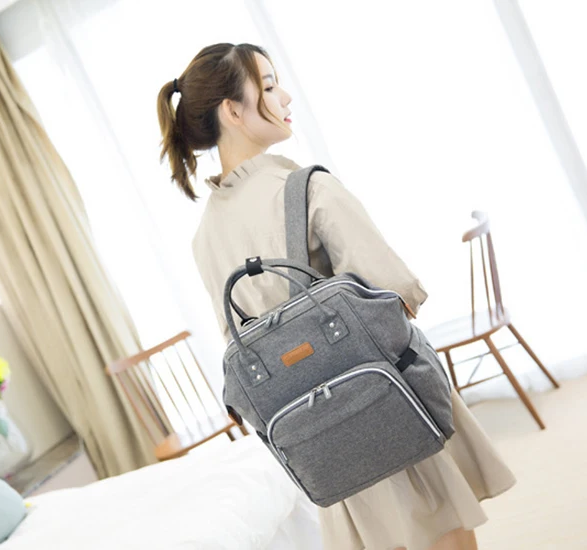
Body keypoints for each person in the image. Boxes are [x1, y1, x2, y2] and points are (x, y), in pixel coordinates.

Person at [157, 42, 516, 550]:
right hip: (383, 402)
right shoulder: (306, 188)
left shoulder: (205, 236)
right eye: (268, 85)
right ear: (232, 111)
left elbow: (241, 340)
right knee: (443, 533)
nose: (285, 97)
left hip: (318, 439)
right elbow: (395, 294)